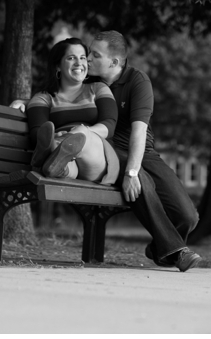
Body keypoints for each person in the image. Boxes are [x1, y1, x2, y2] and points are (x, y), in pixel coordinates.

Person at [86, 30, 202, 272]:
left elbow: (139, 133)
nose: (87, 59)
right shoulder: (86, 80)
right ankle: (178, 252)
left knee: (188, 216)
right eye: (89, 53)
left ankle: (161, 249)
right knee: (142, 181)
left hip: (141, 151)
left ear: (114, 62)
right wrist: (25, 101)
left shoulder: (137, 81)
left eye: (95, 55)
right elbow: (54, 91)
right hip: (106, 150)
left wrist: (131, 172)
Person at [20, 38, 120, 184]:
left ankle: (55, 149)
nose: (79, 63)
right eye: (71, 58)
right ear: (58, 66)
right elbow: (38, 132)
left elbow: (109, 125)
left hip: (96, 158)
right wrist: (56, 136)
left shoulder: (98, 88)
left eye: (83, 58)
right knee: (61, 163)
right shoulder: (43, 98)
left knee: (81, 133)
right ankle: (58, 165)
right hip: (66, 163)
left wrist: (76, 134)